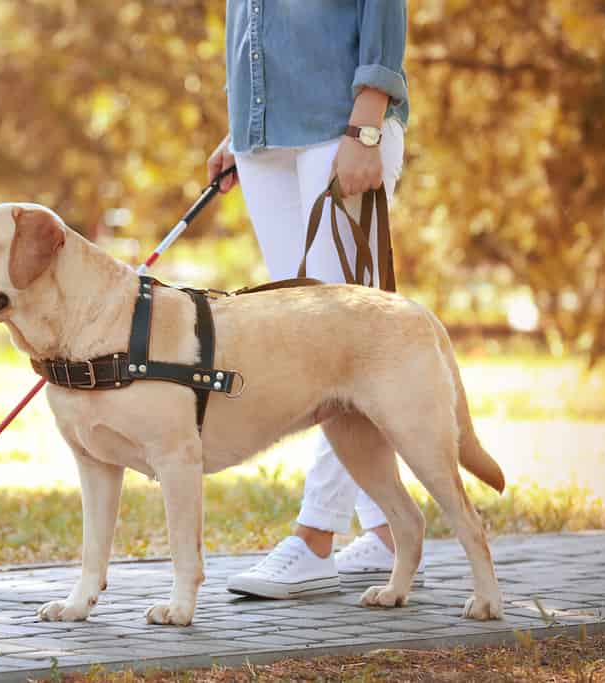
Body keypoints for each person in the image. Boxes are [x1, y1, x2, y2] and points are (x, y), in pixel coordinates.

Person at [208, 1, 424, 598]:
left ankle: (315, 536)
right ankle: (385, 531)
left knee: (339, 344)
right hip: (265, 138)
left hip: (340, 127)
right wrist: (247, 123)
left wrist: (369, 121)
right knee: (306, 343)